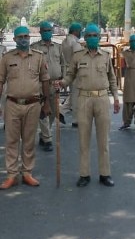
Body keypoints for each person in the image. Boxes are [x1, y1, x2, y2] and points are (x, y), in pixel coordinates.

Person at [57, 23, 121, 187]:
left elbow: (112, 79)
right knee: (83, 139)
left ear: (99, 38)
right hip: (84, 100)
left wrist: (116, 98)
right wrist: (61, 83)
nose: (92, 38)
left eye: (95, 36)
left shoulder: (106, 56)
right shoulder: (78, 56)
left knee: (103, 139)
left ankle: (104, 174)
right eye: (89, 36)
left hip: (102, 99)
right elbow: (70, 75)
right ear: (85, 38)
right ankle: (84, 174)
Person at [0, 26, 51, 189]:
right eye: (20, 37)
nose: (24, 39)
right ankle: (12, 175)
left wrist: (47, 103)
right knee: (12, 140)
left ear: (29, 38)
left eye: (26, 36)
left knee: (30, 140)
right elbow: (0, 81)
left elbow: (45, 80)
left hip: (33, 105)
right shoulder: (7, 58)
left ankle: (27, 173)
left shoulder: (39, 57)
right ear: (14, 40)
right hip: (12, 104)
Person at [31, 21, 64, 152]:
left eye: (49, 30)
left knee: (52, 112)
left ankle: (43, 135)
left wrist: (63, 81)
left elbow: (63, 64)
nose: (47, 33)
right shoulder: (34, 47)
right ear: (40, 32)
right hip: (40, 85)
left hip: (55, 84)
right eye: (44, 30)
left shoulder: (58, 47)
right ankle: (48, 139)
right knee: (42, 111)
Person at [60, 22, 84, 126]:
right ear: (76, 31)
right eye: (80, 31)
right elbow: (78, 58)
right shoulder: (75, 43)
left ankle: (61, 110)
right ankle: (76, 120)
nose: (80, 33)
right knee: (76, 95)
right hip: (75, 71)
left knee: (73, 93)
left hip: (67, 69)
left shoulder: (65, 41)